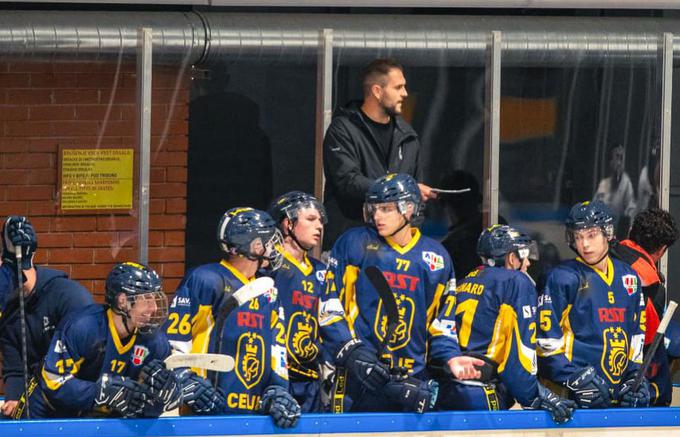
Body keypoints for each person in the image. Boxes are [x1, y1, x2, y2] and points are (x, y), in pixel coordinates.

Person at [325, 173, 483, 413]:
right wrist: (351, 350)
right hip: (358, 380)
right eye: (374, 208)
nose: (377, 216)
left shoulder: (436, 258)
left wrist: (451, 357)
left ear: (409, 208)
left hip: (412, 382)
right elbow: (328, 305)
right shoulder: (354, 244)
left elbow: (442, 323)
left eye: (386, 208)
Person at [165, 207, 301, 428]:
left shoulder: (269, 290)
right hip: (203, 412)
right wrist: (187, 381)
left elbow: (277, 348)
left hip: (252, 413)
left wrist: (277, 389)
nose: (275, 247)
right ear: (254, 245)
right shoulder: (206, 279)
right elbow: (174, 340)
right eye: (268, 240)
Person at [431, 225, 575, 424]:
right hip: (480, 391)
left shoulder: (465, 281)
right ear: (510, 258)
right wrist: (534, 396)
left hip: (447, 388)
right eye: (523, 255)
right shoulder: (516, 281)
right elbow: (519, 355)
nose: (527, 263)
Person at [267, 191, 390, 412]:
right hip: (273, 380)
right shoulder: (267, 267)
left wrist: (355, 353)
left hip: (310, 379)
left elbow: (331, 319)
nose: (320, 226)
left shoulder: (320, 272)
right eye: (311, 219)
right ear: (287, 224)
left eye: (321, 221)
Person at [28, 262, 179, 418]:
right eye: (147, 299)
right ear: (122, 301)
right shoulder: (83, 327)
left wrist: (171, 390)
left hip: (94, 418)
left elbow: (151, 398)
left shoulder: (154, 341)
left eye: (155, 298)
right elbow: (53, 381)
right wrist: (102, 391)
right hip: (45, 410)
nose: (154, 307)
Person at [536, 200, 649, 409]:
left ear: (608, 233)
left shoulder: (629, 278)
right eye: (578, 237)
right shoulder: (562, 278)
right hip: (569, 399)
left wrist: (635, 378)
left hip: (615, 397)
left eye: (591, 235)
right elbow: (545, 345)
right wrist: (573, 377)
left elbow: (636, 337)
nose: (584, 244)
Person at [322, 58, 435, 248]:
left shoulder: (407, 136)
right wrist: (401, 191)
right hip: (351, 245)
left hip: (397, 251)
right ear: (377, 91)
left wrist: (410, 245)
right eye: (398, 87)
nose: (405, 94)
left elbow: (417, 203)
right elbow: (348, 182)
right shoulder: (342, 129)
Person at [0, 216, 93, 419]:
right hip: (39, 404)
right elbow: (15, 369)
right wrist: (14, 399)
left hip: (80, 398)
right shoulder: (7, 310)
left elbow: (91, 356)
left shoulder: (68, 296)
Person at [610, 208, 679, 406]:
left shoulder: (604, 255)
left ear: (631, 230)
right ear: (662, 249)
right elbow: (649, 341)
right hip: (627, 374)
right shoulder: (652, 285)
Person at [593, 144, 637, 239]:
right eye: (617, 157)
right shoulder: (604, 183)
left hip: (619, 234)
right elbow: (594, 207)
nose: (619, 163)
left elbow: (631, 208)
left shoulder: (626, 182)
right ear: (611, 161)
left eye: (622, 159)